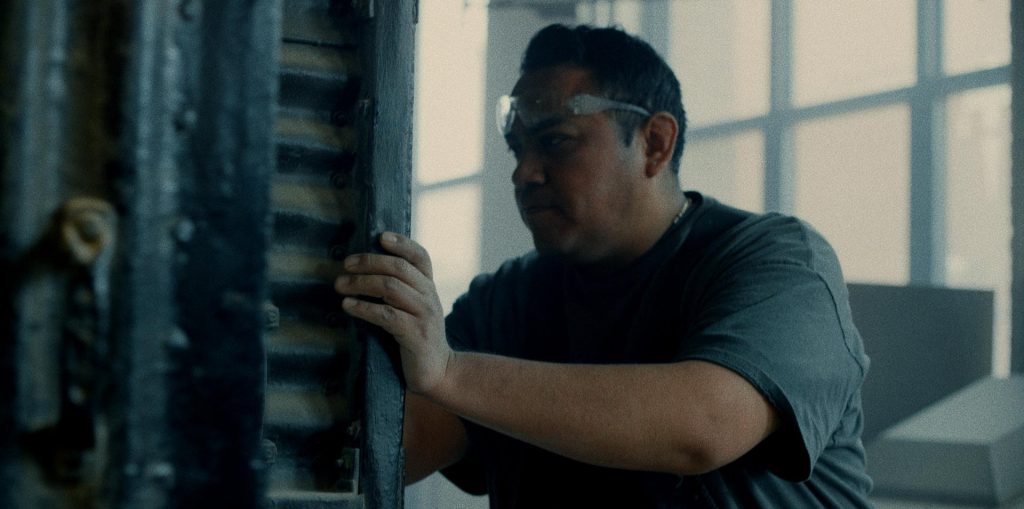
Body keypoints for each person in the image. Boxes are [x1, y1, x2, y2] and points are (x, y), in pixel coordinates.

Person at [335, 23, 873, 508]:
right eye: (517, 149)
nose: (524, 173)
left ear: (655, 144)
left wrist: (450, 372)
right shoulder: (505, 301)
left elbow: (704, 426)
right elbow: (393, 447)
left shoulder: (777, 261)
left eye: (556, 142)